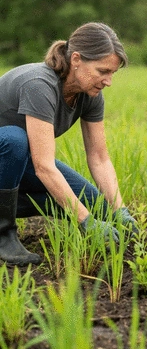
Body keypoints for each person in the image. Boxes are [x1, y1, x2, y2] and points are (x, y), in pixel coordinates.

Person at [0, 22, 137, 266]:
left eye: (112, 73)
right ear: (76, 59)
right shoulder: (39, 85)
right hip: (10, 153)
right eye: (102, 71)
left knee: (97, 206)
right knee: (15, 140)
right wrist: (85, 222)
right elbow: (43, 166)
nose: (108, 81)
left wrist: (120, 210)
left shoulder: (90, 94)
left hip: (17, 163)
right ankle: (4, 233)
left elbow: (99, 157)